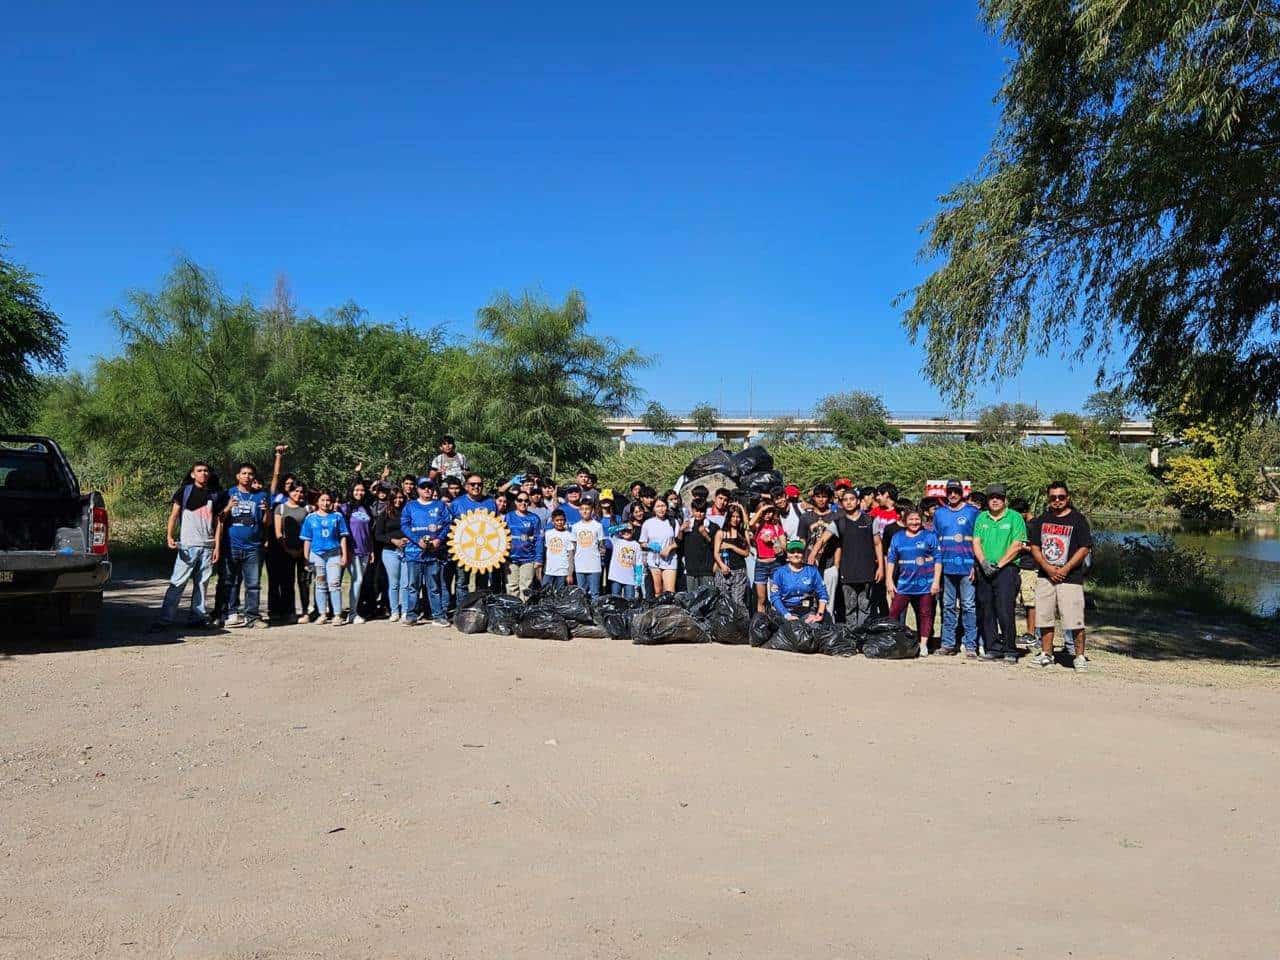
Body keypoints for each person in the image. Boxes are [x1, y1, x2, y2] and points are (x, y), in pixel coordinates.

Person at [1028, 481, 1093, 671]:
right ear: (1048, 499)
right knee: (1045, 618)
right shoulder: (1042, 520)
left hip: (1071, 577)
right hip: (1045, 576)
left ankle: (1079, 656)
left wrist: (1066, 568)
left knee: (1074, 619)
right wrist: (1047, 568)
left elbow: (1084, 548)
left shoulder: (1078, 520)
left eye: (1061, 497)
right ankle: (1046, 653)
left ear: (1068, 498)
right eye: (1053, 497)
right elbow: (1034, 547)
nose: (1057, 500)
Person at [151, 461, 220, 630]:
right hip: (188, 546)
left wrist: (217, 546)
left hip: (207, 546)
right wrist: (169, 536)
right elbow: (174, 515)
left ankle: (197, 618)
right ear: (192, 474)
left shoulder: (215, 494)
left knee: (202, 584)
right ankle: (165, 620)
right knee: (177, 583)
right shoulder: (185, 492)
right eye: (199, 470)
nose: (203, 473)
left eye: (206, 471)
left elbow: (219, 522)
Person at [972, 484, 1028, 663]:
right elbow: (976, 542)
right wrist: (983, 562)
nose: (995, 500)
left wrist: (1000, 564)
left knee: (1005, 610)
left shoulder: (1015, 517)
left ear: (1005, 500)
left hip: (1007, 570)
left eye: (999, 497)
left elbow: (1017, 544)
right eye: (991, 497)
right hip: (984, 569)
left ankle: (1010, 648)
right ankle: (993, 647)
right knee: (987, 609)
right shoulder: (982, 517)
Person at [885, 507, 942, 657]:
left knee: (925, 614)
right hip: (904, 584)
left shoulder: (930, 536)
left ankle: (923, 645)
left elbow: (938, 559)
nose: (914, 522)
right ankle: (894, 641)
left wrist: (936, 582)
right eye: (911, 519)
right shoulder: (897, 537)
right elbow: (891, 560)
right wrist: (889, 581)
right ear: (905, 521)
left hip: (926, 584)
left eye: (917, 519)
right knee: (893, 613)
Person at [933, 479, 980, 656]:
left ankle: (970, 646)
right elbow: (935, 540)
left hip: (967, 567)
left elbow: (978, 540)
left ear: (962, 493)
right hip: (946, 567)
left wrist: (975, 565)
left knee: (968, 606)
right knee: (948, 606)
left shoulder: (973, 512)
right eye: (950, 491)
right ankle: (948, 644)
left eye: (956, 491)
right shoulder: (939, 513)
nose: (953, 495)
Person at [218, 462, 269, 628]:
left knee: (253, 584)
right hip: (232, 544)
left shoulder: (260, 495)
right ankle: (230, 613)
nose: (247, 476)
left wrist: (267, 511)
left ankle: (252, 616)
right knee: (230, 581)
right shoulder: (228, 493)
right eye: (244, 473)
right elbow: (219, 519)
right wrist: (228, 507)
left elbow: (265, 523)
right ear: (238, 476)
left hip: (253, 547)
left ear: (254, 477)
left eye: (250, 474)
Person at [825, 486, 883, 628]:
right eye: (845, 500)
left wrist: (881, 567)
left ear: (858, 501)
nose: (849, 502)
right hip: (847, 571)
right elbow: (822, 539)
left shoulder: (870, 520)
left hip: (867, 572)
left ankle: (862, 636)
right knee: (850, 608)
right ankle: (852, 636)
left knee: (865, 607)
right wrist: (813, 554)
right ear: (841, 503)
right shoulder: (839, 523)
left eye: (852, 499)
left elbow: (878, 544)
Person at [401, 477, 451, 625]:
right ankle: (411, 616)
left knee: (434, 586)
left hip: (433, 553)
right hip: (414, 552)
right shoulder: (410, 506)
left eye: (430, 487)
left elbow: (447, 524)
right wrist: (417, 541)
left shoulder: (440, 505)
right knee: (413, 586)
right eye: (423, 487)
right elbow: (404, 526)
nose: (427, 489)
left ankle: (438, 616)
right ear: (417, 489)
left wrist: (439, 540)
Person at [299, 490, 350, 625]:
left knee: (334, 584)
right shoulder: (311, 518)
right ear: (317, 501)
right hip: (316, 556)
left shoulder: (337, 516)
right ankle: (322, 614)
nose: (326, 503)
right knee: (320, 584)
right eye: (322, 500)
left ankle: (337, 615)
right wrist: (306, 557)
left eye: (328, 500)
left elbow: (343, 537)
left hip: (333, 555)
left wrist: (344, 555)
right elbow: (307, 539)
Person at [450, 473, 498, 606]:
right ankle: (462, 610)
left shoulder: (490, 502)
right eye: (473, 484)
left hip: (484, 550)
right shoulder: (457, 503)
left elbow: (496, 525)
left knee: (482, 582)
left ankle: (479, 609)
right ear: (466, 486)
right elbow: (448, 526)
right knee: (462, 582)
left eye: (479, 484)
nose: (476, 487)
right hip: (463, 549)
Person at [273, 480, 313, 623]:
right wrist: (287, 549)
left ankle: (305, 611)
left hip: (304, 552)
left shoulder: (308, 509)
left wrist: (303, 550)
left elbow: (310, 532)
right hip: (286, 552)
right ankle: (289, 612)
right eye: (295, 491)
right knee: (287, 583)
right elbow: (278, 533)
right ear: (289, 492)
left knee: (304, 583)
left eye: (301, 491)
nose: (298, 494)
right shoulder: (280, 508)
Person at [799, 483, 840, 606]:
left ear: (829, 498)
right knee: (808, 601)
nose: (821, 499)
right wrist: (800, 561)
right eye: (818, 496)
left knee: (828, 603)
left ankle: (828, 625)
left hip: (829, 564)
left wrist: (836, 565)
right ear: (814, 498)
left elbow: (839, 544)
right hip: (809, 564)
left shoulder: (836, 516)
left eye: (824, 496)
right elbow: (802, 540)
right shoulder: (805, 517)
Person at [373, 488, 410, 621]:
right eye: (395, 497)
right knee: (394, 583)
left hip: (407, 551)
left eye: (400, 497)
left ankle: (405, 611)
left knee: (405, 583)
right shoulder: (384, 514)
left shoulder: (408, 512)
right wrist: (393, 540)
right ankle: (395, 611)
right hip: (389, 552)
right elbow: (378, 535)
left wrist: (408, 538)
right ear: (390, 499)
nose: (398, 500)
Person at [769, 540, 829, 621]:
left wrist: (819, 614)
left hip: (807, 612)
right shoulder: (779, 573)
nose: (796, 554)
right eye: (792, 552)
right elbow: (775, 597)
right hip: (786, 611)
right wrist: (786, 615)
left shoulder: (812, 571)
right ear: (787, 555)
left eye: (799, 552)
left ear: (803, 554)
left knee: (813, 627)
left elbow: (823, 593)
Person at [342, 479, 375, 624]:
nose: (359, 493)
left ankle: (354, 611)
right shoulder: (345, 508)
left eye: (361, 490)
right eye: (356, 490)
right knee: (357, 580)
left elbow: (369, 531)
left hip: (365, 551)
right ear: (351, 491)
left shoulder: (366, 508)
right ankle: (352, 613)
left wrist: (372, 550)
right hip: (351, 550)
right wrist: (345, 551)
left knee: (358, 581)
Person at [1009, 496, 1039, 646]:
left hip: (1030, 568)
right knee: (1013, 601)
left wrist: (1022, 547)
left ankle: (1031, 633)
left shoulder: (1035, 525)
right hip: (1018, 566)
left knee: (1030, 602)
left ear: (1024, 512)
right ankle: (1011, 632)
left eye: (1017, 514)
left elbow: (1037, 548)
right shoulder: (1021, 524)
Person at [505, 489, 544, 601]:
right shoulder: (508, 517)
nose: (523, 503)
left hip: (528, 558)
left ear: (529, 502)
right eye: (520, 500)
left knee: (526, 588)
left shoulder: (534, 518)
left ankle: (524, 612)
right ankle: (512, 611)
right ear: (515, 502)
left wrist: (538, 559)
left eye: (526, 501)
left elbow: (539, 540)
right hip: (510, 558)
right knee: (512, 587)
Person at [749, 502, 788, 613]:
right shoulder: (757, 526)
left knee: (775, 597)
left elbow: (784, 545)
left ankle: (777, 622)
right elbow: (749, 524)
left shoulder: (776, 526)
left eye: (769, 512)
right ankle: (761, 623)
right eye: (764, 512)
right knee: (761, 598)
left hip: (775, 564)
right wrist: (762, 510)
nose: (767, 514)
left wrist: (777, 544)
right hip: (761, 565)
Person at [712, 502, 751, 607]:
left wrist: (731, 546)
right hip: (724, 570)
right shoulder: (721, 533)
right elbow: (716, 553)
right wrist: (722, 565)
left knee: (738, 602)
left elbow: (746, 553)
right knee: (722, 601)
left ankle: (742, 622)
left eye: (738, 517)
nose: (735, 519)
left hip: (739, 571)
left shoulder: (743, 533)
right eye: (733, 516)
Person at [640, 498, 680, 595]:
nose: (661, 509)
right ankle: (659, 610)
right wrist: (651, 546)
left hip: (670, 560)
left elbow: (678, 541)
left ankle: (670, 610)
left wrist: (669, 548)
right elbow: (642, 542)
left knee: (670, 591)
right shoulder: (648, 523)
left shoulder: (673, 522)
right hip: (654, 560)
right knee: (658, 591)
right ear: (653, 509)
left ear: (667, 507)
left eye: (663, 506)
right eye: (658, 506)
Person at [678, 498, 717, 593]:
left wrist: (706, 535)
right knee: (692, 599)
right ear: (692, 510)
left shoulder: (712, 526)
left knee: (708, 598)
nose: (699, 514)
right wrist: (680, 530)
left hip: (707, 569)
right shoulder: (687, 526)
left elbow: (716, 546)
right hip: (691, 569)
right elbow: (678, 544)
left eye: (702, 511)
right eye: (697, 511)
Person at [570, 499, 606, 596]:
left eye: (587, 509)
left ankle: (595, 611)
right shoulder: (575, 526)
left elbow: (602, 545)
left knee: (595, 593)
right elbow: (573, 547)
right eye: (582, 509)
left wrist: (602, 559)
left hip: (594, 565)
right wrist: (571, 565)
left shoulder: (598, 526)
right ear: (579, 510)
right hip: (580, 565)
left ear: (592, 510)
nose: (585, 511)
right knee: (581, 593)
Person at [607, 524, 644, 598]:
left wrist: (638, 579)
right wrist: (622, 526)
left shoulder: (636, 545)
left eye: (629, 531)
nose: (626, 532)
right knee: (616, 599)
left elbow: (639, 563)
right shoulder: (616, 540)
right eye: (624, 531)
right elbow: (610, 530)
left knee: (630, 600)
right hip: (616, 577)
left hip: (630, 579)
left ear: (633, 531)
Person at [542, 509, 576, 589]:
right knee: (544, 592)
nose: (560, 522)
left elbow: (571, 557)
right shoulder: (548, 534)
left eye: (562, 520)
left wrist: (570, 574)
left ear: (565, 521)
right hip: (549, 571)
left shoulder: (569, 535)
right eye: (557, 520)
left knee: (560, 595)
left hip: (562, 572)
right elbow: (545, 552)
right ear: (553, 521)